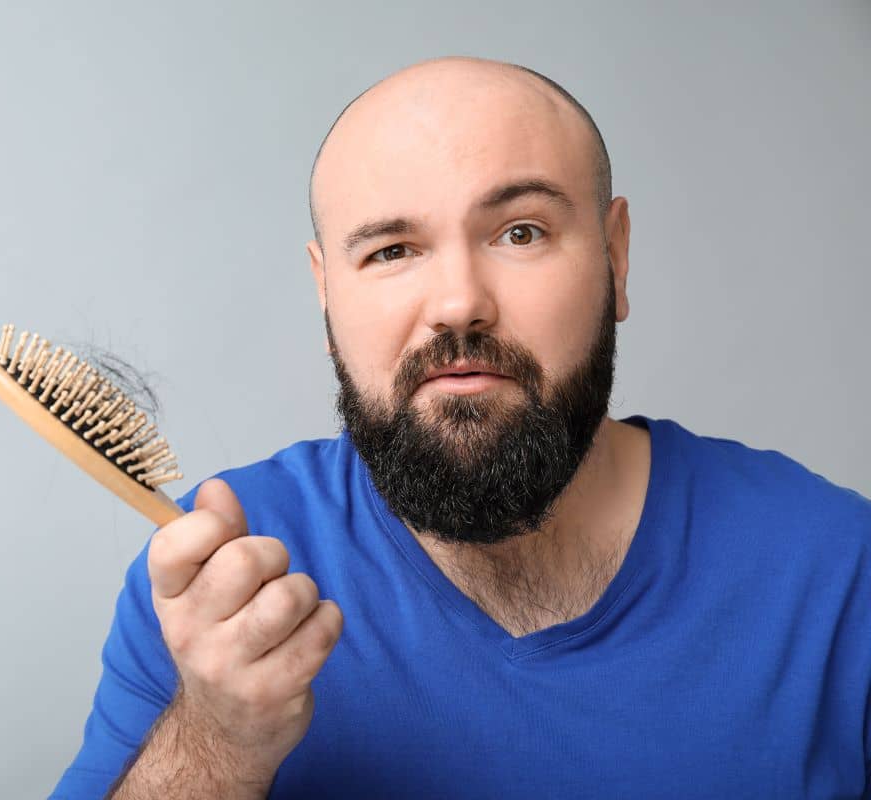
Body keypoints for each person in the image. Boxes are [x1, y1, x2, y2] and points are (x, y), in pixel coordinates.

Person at [50, 56, 871, 799]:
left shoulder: (836, 565)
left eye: (521, 233)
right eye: (392, 251)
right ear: (326, 291)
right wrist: (217, 742)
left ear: (616, 258)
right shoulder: (209, 582)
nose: (457, 304)